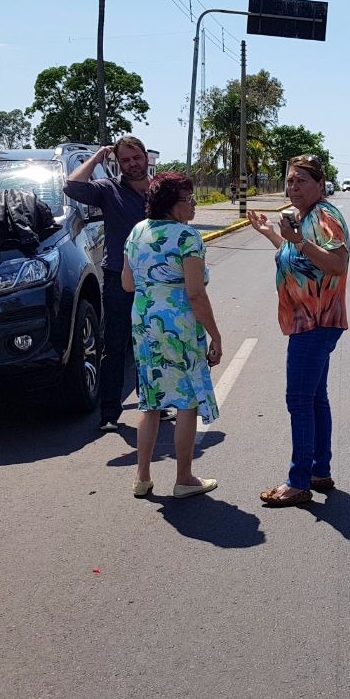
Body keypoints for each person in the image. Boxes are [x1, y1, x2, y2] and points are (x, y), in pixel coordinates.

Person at [247, 155, 350, 507]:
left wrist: (299, 240)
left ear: (320, 185)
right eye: (290, 181)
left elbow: (337, 264)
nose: (293, 187)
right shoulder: (305, 219)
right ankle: (320, 470)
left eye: (301, 181)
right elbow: (300, 259)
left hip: (316, 321)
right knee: (315, 398)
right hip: (310, 320)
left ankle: (298, 481)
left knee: (299, 400)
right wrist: (274, 236)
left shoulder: (324, 217)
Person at [63, 135, 176, 432]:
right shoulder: (107, 189)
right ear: (117, 162)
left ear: (144, 155)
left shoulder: (161, 189)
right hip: (118, 277)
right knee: (114, 345)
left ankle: (154, 405)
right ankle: (110, 414)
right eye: (124, 160)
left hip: (157, 278)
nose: (132, 164)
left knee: (152, 343)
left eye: (135, 157)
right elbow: (72, 186)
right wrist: (97, 157)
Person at [122, 172, 223, 499]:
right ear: (171, 204)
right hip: (179, 325)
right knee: (186, 400)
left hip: (144, 322)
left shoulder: (137, 231)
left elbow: (127, 283)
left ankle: (142, 478)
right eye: (187, 199)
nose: (193, 205)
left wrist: (154, 286)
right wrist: (216, 335)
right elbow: (196, 294)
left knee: (149, 401)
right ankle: (183, 478)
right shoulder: (186, 237)